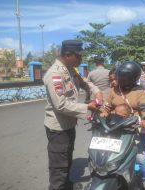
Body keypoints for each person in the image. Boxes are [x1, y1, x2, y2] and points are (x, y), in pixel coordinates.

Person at [43, 40, 103, 190]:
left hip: (69, 124)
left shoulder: (70, 69)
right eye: (79, 56)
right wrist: (88, 107)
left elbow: (84, 83)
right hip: (58, 128)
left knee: (67, 158)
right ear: (68, 55)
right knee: (59, 166)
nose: (81, 60)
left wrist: (96, 91)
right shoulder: (55, 74)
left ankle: (67, 185)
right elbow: (61, 105)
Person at [100, 61, 145, 190]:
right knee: (105, 154)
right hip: (113, 129)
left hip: (133, 129)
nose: (122, 81)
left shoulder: (140, 92)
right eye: (121, 77)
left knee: (141, 158)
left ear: (133, 78)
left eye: (125, 79)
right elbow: (107, 105)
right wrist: (103, 112)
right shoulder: (114, 90)